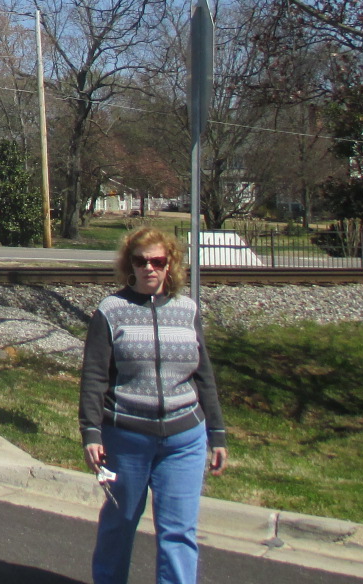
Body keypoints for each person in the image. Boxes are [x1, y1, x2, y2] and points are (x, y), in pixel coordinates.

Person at [80, 227, 228, 584]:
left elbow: (203, 375)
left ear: (169, 265)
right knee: (120, 524)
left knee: (179, 532)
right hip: (127, 438)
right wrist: (90, 431)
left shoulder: (187, 309)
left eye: (157, 261)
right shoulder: (111, 310)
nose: (149, 268)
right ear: (129, 264)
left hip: (184, 438)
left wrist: (217, 434)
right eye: (141, 261)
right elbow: (95, 377)